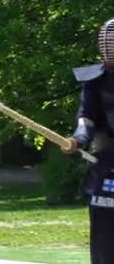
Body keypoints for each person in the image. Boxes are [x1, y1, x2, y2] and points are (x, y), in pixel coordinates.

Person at [64, 18, 114, 264]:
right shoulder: (94, 80)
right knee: (104, 237)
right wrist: (78, 139)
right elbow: (87, 117)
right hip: (106, 163)